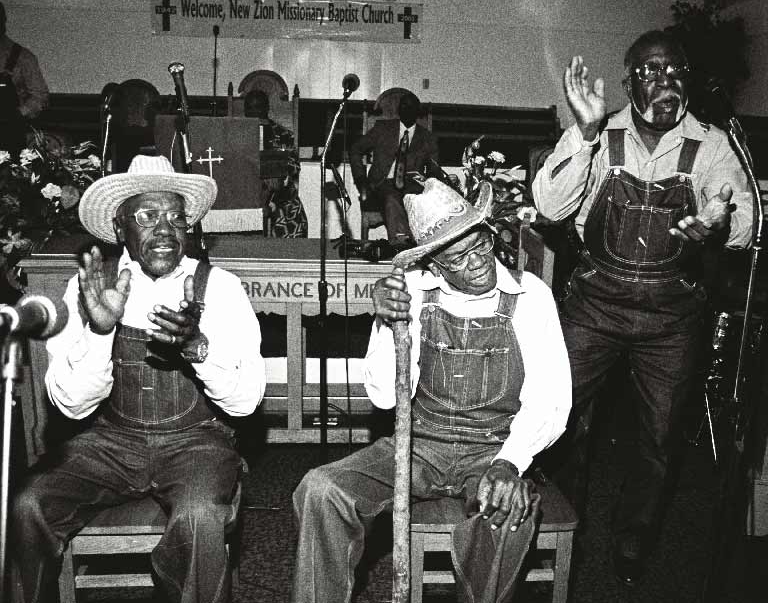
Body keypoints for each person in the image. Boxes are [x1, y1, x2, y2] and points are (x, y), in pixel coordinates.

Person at [532, 30, 752, 586]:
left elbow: (742, 216)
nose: (665, 82)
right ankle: (557, 531)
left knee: (659, 438)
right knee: (560, 424)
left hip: (672, 314)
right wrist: (582, 132)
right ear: (631, 82)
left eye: (676, 71)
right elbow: (549, 207)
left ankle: (634, 542)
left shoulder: (712, 143)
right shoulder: (598, 134)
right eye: (652, 72)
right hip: (596, 301)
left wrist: (720, 222)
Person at [292, 178, 571, 603]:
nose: (479, 263)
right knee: (321, 489)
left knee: (504, 512)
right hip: (418, 443)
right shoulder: (414, 296)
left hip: (493, 448)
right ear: (435, 266)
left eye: (482, 246)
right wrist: (388, 324)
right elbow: (385, 397)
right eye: (460, 258)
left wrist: (509, 463)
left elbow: (550, 399)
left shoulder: (531, 296)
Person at [9, 154, 266, 603]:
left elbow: (245, 404)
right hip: (109, 442)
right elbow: (70, 405)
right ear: (120, 225)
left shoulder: (220, 287)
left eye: (175, 218)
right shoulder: (89, 288)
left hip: (196, 442)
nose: (164, 229)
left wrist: (196, 346)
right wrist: (100, 330)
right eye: (148, 216)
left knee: (200, 517)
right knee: (28, 505)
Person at [350, 91, 442, 249]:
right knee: (392, 197)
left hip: (412, 187)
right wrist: (361, 180)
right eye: (403, 106)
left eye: (411, 107)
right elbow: (355, 150)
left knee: (410, 199)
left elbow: (435, 170)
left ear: (417, 112)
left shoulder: (428, 138)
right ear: (399, 110)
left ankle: (416, 244)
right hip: (381, 183)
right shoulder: (382, 128)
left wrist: (430, 187)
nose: (407, 110)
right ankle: (403, 245)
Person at [243, 88, 307, 237]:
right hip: (245, 196)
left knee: (293, 216)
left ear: (267, 108)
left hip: (279, 197)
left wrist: (275, 178)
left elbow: (294, 166)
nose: (254, 112)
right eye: (249, 108)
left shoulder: (284, 134)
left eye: (258, 107)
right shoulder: (236, 134)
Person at [0, 0, 49, 156]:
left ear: (3, 21)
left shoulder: (22, 57)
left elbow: (40, 97)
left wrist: (17, 114)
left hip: (9, 133)